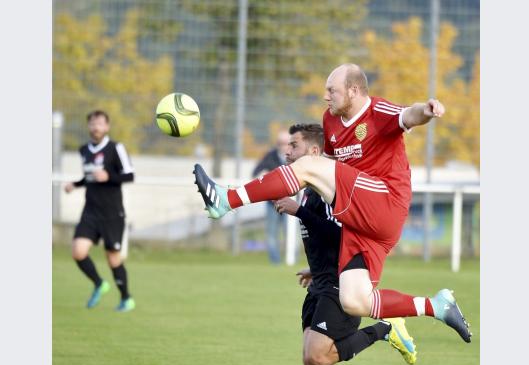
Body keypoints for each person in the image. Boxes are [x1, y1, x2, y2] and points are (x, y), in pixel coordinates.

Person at [193, 63, 472, 342]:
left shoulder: (377, 112)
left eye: (332, 90)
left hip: (385, 200)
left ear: (353, 90)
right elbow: (331, 168)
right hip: (361, 221)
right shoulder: (330, 120)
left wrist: (426, 109)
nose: (326, 96)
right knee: (355, 301)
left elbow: (408, 114)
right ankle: (437, 306)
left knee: (308, 166)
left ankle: (226, 200)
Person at [273, 123, 417, 365]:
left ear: (313, 152)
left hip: (342, 284)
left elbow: (344, 236)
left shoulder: (331, 189)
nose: (287, 151)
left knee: (320, 354)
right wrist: (316, 268)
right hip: (321, 281)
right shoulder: (311, 189)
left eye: (293, 145)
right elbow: (329, 240)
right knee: (312, 360)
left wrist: (299, 212)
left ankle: (386, 329)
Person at [64, 110, 136, 312]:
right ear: (88, 127)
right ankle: (98, 283)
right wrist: (75, 184)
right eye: (92, 124)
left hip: (112, 213)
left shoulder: (116, 148)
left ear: (107, 127)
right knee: (78, 252)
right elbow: (89, 177)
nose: (96, 127)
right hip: (90, 211)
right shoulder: (83, 150)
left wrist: (109, 176)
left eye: (100, 124)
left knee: (113, 258)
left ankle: (126, 298)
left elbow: (130, 176)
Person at [252, 132, 290, 264]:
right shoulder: (270, 156)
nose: (283, 146)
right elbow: (256, 172)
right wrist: (265, 176)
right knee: (272, 234)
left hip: (291, 203)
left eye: (286, 143)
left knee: (292, 234)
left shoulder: (295, 156)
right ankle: (275, 262)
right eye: (280, 143)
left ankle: (292, 260)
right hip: (272, 203)